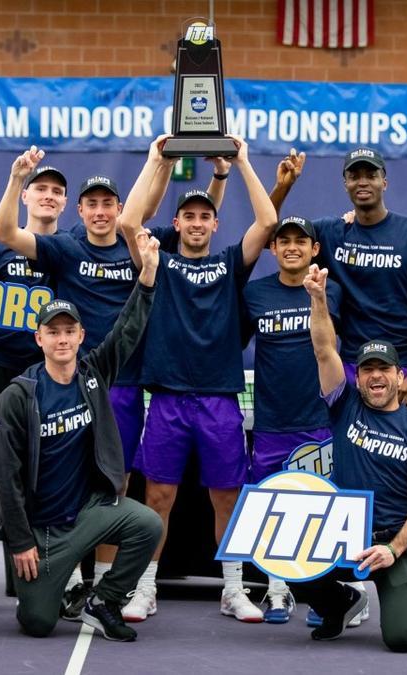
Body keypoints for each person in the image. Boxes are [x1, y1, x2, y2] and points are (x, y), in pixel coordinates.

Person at [0, 148, 180, 619]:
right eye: (91, 204)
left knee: (116, 478)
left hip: (118, 377)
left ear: (118, 211)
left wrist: (163, 160)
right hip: (68, 381)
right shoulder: (67, 247)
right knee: (69, 471)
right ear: (80, 211)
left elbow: (147, 208)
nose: (100, 212)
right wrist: (17, 180)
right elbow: (5, 233)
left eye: (108, 205)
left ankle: (110, 588)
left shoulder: (134, 245)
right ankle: (72, 578)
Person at [119, 135, 278, 624]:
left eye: (204, 216)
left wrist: (243, 162)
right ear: (177, 223)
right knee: (157, 498)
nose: (195, 222)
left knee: (225, 497)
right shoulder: (157, 263)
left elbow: (269, 222)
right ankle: (145, 588)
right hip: (166, 399)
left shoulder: (231, 265)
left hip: (218, 402)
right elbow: (127, 222)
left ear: (214, 223)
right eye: (188, 216)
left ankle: (233, 589)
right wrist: (153, 159)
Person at [295, 264, 407, 651]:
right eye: (368, 369)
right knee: (289, 559)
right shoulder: (344, 406)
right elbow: (324, 349)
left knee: (403, 637)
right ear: (357, 378)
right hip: (345, 534)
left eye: (384, 369)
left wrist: (394, 549)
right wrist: (318, 299)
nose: (376, 377)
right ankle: (341, 603)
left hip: (395, 541)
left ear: (398, 374)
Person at [0, 163, 65, 613]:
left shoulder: (68, 251)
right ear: (26, 196)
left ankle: (42, 576)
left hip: (51, 378)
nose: (47, 195)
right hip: (0, 374)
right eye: (39, 188)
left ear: (64, 203)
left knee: (46, 480)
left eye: (56, 191)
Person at [275, 147, 407, 404]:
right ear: (346, 185)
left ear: (384, 182)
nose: (362, 181)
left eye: (371, 175)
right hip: (353, 366)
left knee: (404, 444)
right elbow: (269, 239)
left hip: (402, 368)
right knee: (352, 445)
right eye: (354, 176)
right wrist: (283, 187)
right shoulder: (331, 232)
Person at [241, 214, 341, 624]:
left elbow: (335, 348)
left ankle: (323, 595)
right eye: (284, 241)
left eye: (302, 241)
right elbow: (228, 341)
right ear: (272, 248)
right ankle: (278, 591)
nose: (292, 246)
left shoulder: (330, 291)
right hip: (269, 422)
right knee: (271, 509)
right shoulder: (255, 295)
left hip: (318, 420)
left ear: (315, 249)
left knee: (319, 511)